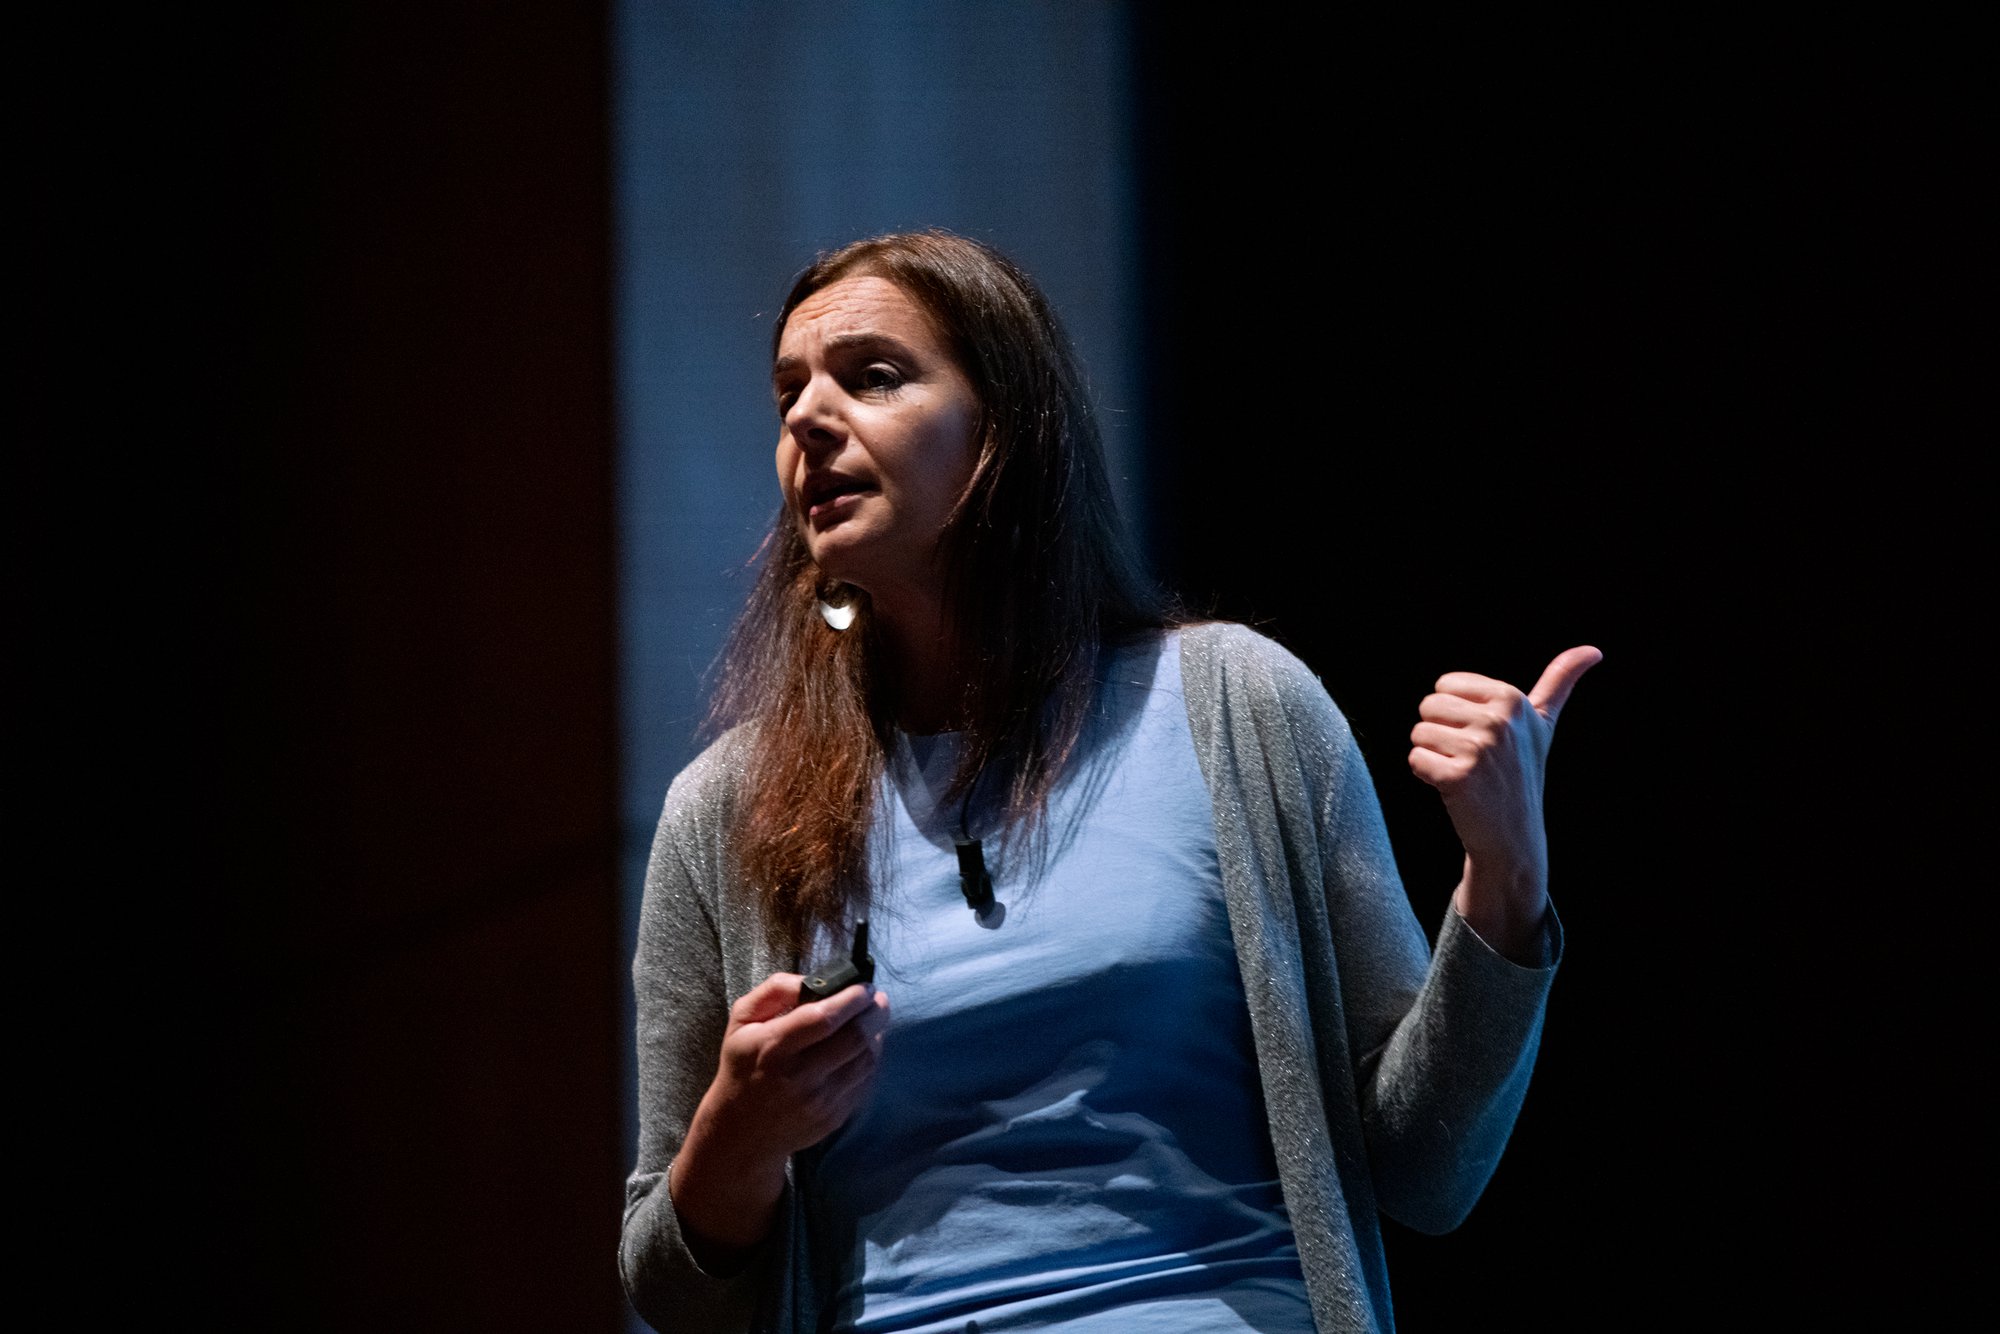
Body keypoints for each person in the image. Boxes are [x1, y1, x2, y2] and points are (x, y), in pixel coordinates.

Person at [619, 229, 1598, 1334]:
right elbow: (670, 1289)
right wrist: (735, 1141)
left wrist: (1502, 879)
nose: (805, 418)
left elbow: (1425, 1166)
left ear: (1004, 432)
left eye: (873, 376)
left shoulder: (1237, 706)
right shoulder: (724, 812)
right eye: (788, 391)